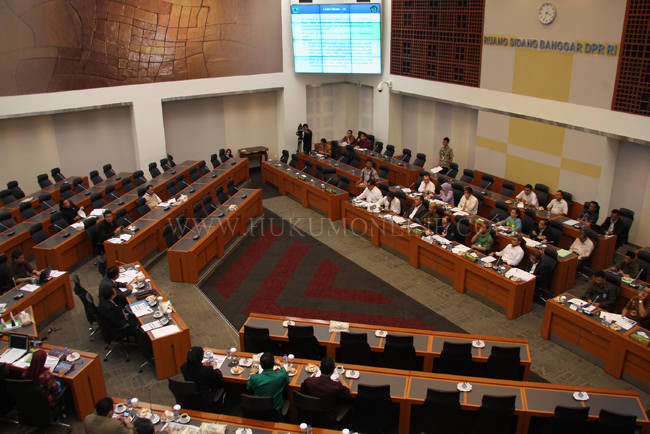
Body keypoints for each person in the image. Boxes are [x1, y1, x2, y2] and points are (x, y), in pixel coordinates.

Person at [301, 357, 351, 421]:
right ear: (333, 370)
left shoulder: (309, 382)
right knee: (351, 407)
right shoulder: (336, 386)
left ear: (319, 367)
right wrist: (342, 379)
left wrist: (313, 377)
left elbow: (303, 388)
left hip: (311, 413)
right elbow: (347, 392)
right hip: (330, 416)